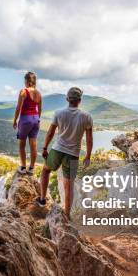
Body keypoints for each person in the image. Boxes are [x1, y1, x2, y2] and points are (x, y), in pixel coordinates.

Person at [37, 87, 93, 220]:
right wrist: (88, 156)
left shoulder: (58, 113)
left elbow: (50, 133)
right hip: (73, 154)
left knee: (45, 171)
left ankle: (42, 199)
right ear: (80, 100)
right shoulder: (86, 117)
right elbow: (89, 139)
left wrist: (45, 148)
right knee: (69, 186)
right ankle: (67, 215)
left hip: (57, 150)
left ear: (67, 99)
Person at [12, 72, 42, 175]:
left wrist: (15, 120)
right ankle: (32, 168)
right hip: (36, 119)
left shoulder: (23, 92)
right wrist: (37, 119)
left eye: (25, 81)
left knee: (21, 144)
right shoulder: (39, 93)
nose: (24, 83)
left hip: (25, 119)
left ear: (28, 81)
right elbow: (40, 110)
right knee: (33, 145)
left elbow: (18, 107)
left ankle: (23, 167)